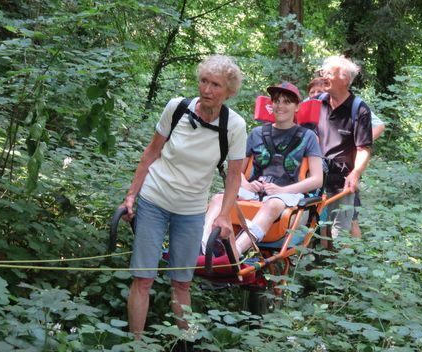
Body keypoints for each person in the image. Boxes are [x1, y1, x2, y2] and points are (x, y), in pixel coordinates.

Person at [120, 55, 247, 338]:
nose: (207, 90)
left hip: (191, 210)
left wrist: (224, 215)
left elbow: (234, 176)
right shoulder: (176, 108)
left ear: (229, 92)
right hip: (155, 198)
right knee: (143, 278)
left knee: (182, 283)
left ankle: (187, 343)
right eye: (204, 81)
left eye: (216, 85)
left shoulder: (234, 126)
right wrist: (131, 195)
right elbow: (151, 153)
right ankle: (135, 343)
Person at [200, 82, 323, 258]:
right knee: (219, 198)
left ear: (297, 107)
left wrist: (282, 190)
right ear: (270, 105)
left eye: (287, 102)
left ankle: (234, 255)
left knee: (271, 203)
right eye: (276, 101)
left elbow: (317, 179)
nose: (280, 106)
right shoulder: (256, 133)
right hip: (255, 192)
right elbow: (237, 171)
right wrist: (247, 185)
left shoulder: (308, 137)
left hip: (288, 195)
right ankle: (203, 248)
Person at [307, 75, 385, 238]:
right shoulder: (312, 105)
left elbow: (379, 126)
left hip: (344, 172)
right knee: (319, 221)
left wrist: (355, 142)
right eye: (312, 92)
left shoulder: (355, 106)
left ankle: (352, 257)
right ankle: (327, 258)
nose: (315, 94)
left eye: (319, 91)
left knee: (350, 220)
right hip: (318, 171)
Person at [316, 56, 373, 242]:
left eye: (329, 74)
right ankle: (319, 267)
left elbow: (363, 148)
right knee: (317, 232)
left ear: (345, 79)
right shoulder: (316, 103)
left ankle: (345, 269)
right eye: (322, 73)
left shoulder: (359, 109)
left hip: (343, 182)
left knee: (340, 235)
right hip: (315, 179)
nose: (323, 77)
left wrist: (355, 174)